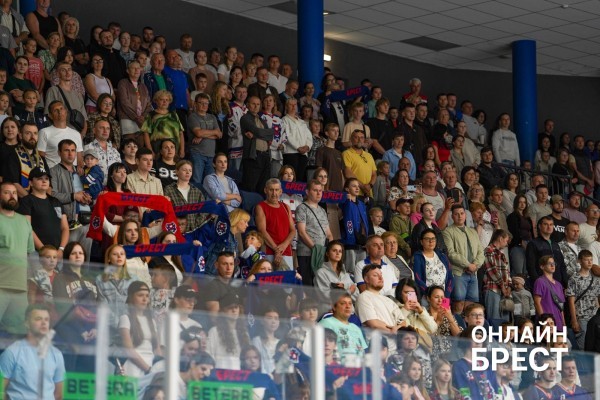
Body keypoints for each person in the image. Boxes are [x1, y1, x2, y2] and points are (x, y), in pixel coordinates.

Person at [0, 304, 65, 399]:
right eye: (38, 319)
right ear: (27, 323)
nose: (44, 323)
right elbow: (1, 391)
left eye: (46, 319)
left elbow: (59, 394)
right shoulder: (12, 352)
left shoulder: (57, 354)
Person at [442, 204, 484, 313]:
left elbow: (481, 252)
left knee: (471, 305)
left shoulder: (473, 231)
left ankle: (467, 324)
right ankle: (456, 323)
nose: (459, 216)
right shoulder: (447, 231)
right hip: (458, 272)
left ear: (465, 215)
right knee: (458, 303)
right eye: (456, 214)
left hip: (473, 273)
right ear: (452, 216)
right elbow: (450, 253)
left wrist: (475, 265)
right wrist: (468, 265)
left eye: (462, 213)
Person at [355, 264, 405, 353]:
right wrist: (395, 331)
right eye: (375, 275)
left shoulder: (388, 300)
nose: (380, 278)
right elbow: (373, 323)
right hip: (377, 350)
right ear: (366, 279)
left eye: (381, 275)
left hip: (395, 350)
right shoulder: (363, 297)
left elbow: (403, 321)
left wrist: (398, 328)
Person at [119, 281, 161, 377]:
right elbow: (129, 350)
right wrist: (148, 369)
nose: (144, 299)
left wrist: (158, 367)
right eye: (140, 295)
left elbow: (157, 349)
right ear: (131, 297)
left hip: (152, 368)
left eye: (147, 296)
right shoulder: (125, 319)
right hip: (134, 368)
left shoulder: (152, 321)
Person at [296, 179, 332, 286]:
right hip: (307, 254)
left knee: (320, 285)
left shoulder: (322, 210)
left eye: (320, 191)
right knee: (308, 284)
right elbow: (301, 232)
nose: (318, 193)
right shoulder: (302, 208)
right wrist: (315, 249)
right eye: (315, 190)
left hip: (321, 254)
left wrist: (329, 249)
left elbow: (329, 233)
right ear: (307, 192)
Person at [256, 178, 296, 270]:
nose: (274, 193)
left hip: (286, 251)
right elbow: (262, 231)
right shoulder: (260, 207)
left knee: (287, 278)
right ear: (265, 190)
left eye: (277, 190)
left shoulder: (286, 207)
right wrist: (276, 250)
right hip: (269, 251)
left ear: (281, 191)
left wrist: (284, 246)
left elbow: (293, 231)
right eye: (271, 190)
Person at [566, 249, 600, 350]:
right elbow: (571, 301)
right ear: (580, 261)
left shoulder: (596, 279)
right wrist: (574, 320)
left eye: (591, 260)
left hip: (594, 316)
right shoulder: (574, 279)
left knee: (595, 344)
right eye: (586, 260)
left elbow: (597, 299)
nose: (589, 262)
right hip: (581, 317)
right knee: (583, 345)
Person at [206, 291, 250, 369]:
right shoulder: (214, 331)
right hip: (220, 373)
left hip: (240, 374)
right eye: (230, 308)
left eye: (236, 307)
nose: (234, 310)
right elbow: (209, 356)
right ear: (223, 311)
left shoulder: (244, 333)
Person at [240, 96, 274, 192]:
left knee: (263, 187)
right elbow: (258, 131)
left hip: (265, 155)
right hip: (253, 156)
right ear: (247, 105)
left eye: (258, 104)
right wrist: (261, 133)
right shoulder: (245, 118)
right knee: (250, 186)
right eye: (253, 104)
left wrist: (255, 135)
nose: (256, 106)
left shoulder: (262, 120)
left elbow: (271, 134)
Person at [37, 100, 84, 169]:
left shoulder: (76, 134)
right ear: (50, 116)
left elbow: (79, 159)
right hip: (52, 171)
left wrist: (80, 169)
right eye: (55, 110)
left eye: (61, 108)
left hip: (72, 172)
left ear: (66, 112)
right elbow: (40, 157)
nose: (59, 112)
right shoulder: (44, 132)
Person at [188, 93, 221, 186]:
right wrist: (212, 132)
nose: (204, 105)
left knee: (211, 183)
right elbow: (198, 133)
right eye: (201, 103)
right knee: (196, 181)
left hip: (211, 155)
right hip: (197, 154)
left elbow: (219, 134)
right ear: (195, 104)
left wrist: (202, 136)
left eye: (206, 103)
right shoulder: (193, 117)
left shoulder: (212, 117)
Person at [142, 90, 185, 158]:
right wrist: (150, 150)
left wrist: (182, 150)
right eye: (162, 99)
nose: (164, 102)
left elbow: (181, 133)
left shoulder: (174, 114)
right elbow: (146, 133)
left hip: (174, 150)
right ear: (156, 101)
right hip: (157, 149)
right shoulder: (151, 115)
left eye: (167, 100)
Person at [526, 215, 567, 286]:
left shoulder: (555, 244)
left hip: (558, 284)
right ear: (539, 226)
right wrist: (538, 283)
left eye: (551, 224)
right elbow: (531, 267)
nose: (549, 227)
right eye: (545, 224)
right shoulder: (533, 243)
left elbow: (562, 265)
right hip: (543, 284)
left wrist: (565, 283)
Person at [117, 60, 151, 144]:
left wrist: (143, 116)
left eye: (138, 68)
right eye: (133, 68)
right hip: (127, 118)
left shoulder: (143, 86)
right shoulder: (123, 83)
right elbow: (124, 102)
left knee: (141, 145)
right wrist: (136, 117)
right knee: (130, 144)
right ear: (128, 71)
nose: (136, 70)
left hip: (141, 120)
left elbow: (148, 104)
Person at [413, 228, 452, 299]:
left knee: (446, 308)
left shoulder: (442, 256)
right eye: (427, 239)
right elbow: (418, 279)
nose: (431, 241)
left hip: (444, 296)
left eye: (433, 239)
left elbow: (450, 277)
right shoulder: (417, 257)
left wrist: (446, 294)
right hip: (427, 296)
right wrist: (430, 294)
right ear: (421, 242)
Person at [482, 229, 512, 321]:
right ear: (500, 238)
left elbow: (507, 272)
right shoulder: (488, 250)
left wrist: (509, 286)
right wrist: (503, 286)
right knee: (494, 319)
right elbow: (492, 270)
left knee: (505, 321)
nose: (506, 244)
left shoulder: (501, 254)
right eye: (506, 240)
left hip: (504, 291)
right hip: (492, 288)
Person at [533, 255, 566, 330]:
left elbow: (561, 306)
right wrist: (543, 321)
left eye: (553, 263)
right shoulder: (540, 281)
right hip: (547, 322)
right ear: (542, 267)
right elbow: (537, 303)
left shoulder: (559, 285)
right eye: (549, 263)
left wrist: (564, 323)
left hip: (558, 323)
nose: (552, 265)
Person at [343, 129, 377, 198]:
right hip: (354, 194)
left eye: (362, 137)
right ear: (351, 139)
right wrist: (362, 186)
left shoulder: (369, 155)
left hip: (368, 194)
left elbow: (374, 174)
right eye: (356, 137)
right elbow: (348, 173)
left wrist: (370, 186)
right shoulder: (346, 153)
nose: (359, 140)